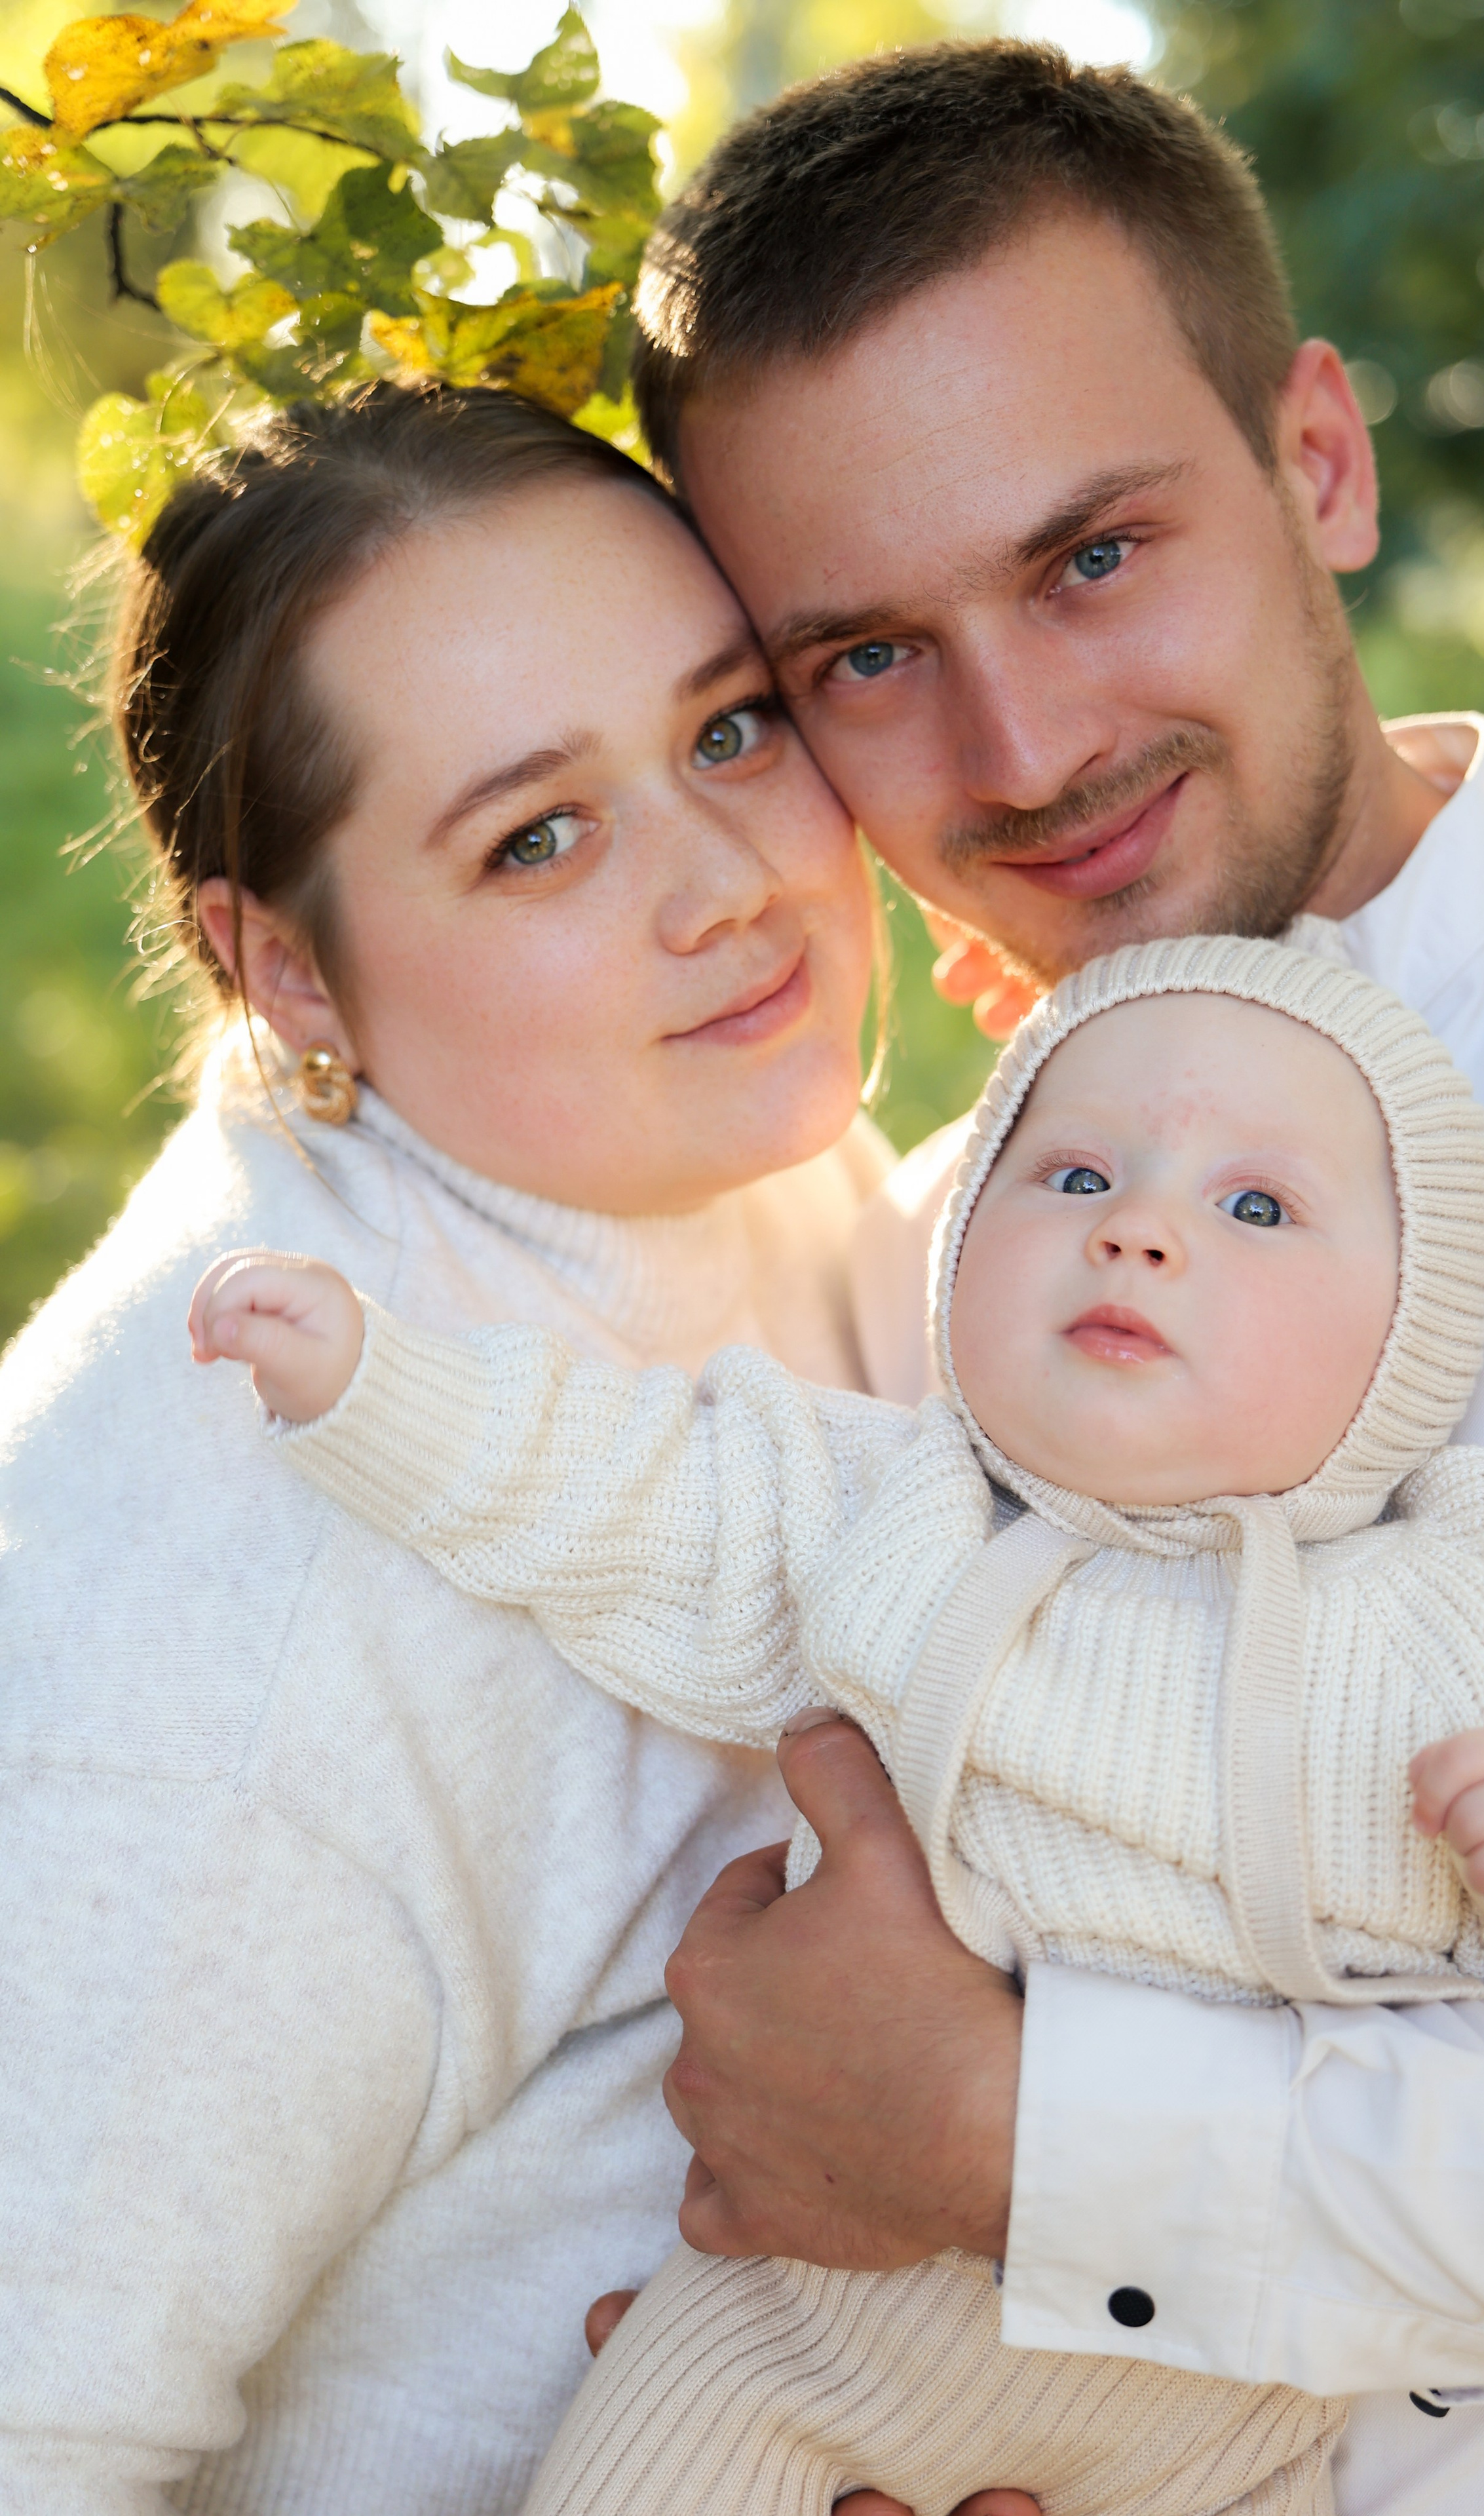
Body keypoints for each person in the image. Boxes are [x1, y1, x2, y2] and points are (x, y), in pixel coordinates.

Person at [616, 41, 1484, 2514]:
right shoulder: (895, 1296)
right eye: (866, 655)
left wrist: (1019, 2147)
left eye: (1094, 554)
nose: (1027, 743)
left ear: (1319, 458)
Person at [197, 936, 1484, 2516]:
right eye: (1074, 1174)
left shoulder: (1473, 1581)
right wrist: (371, 1380)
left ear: (1409, 1335)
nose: (1138, 1233)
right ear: (965, 1232)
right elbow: (618, 1484)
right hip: (795, 2334)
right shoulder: (883, 1509)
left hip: (1233, 2415)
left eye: (1254, 1209)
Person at [0, 380, 891, 2514]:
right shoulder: (231, 1626)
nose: (729, 888)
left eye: (734, 725)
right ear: (282, 967)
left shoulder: (706, 1148)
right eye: (537, 837)